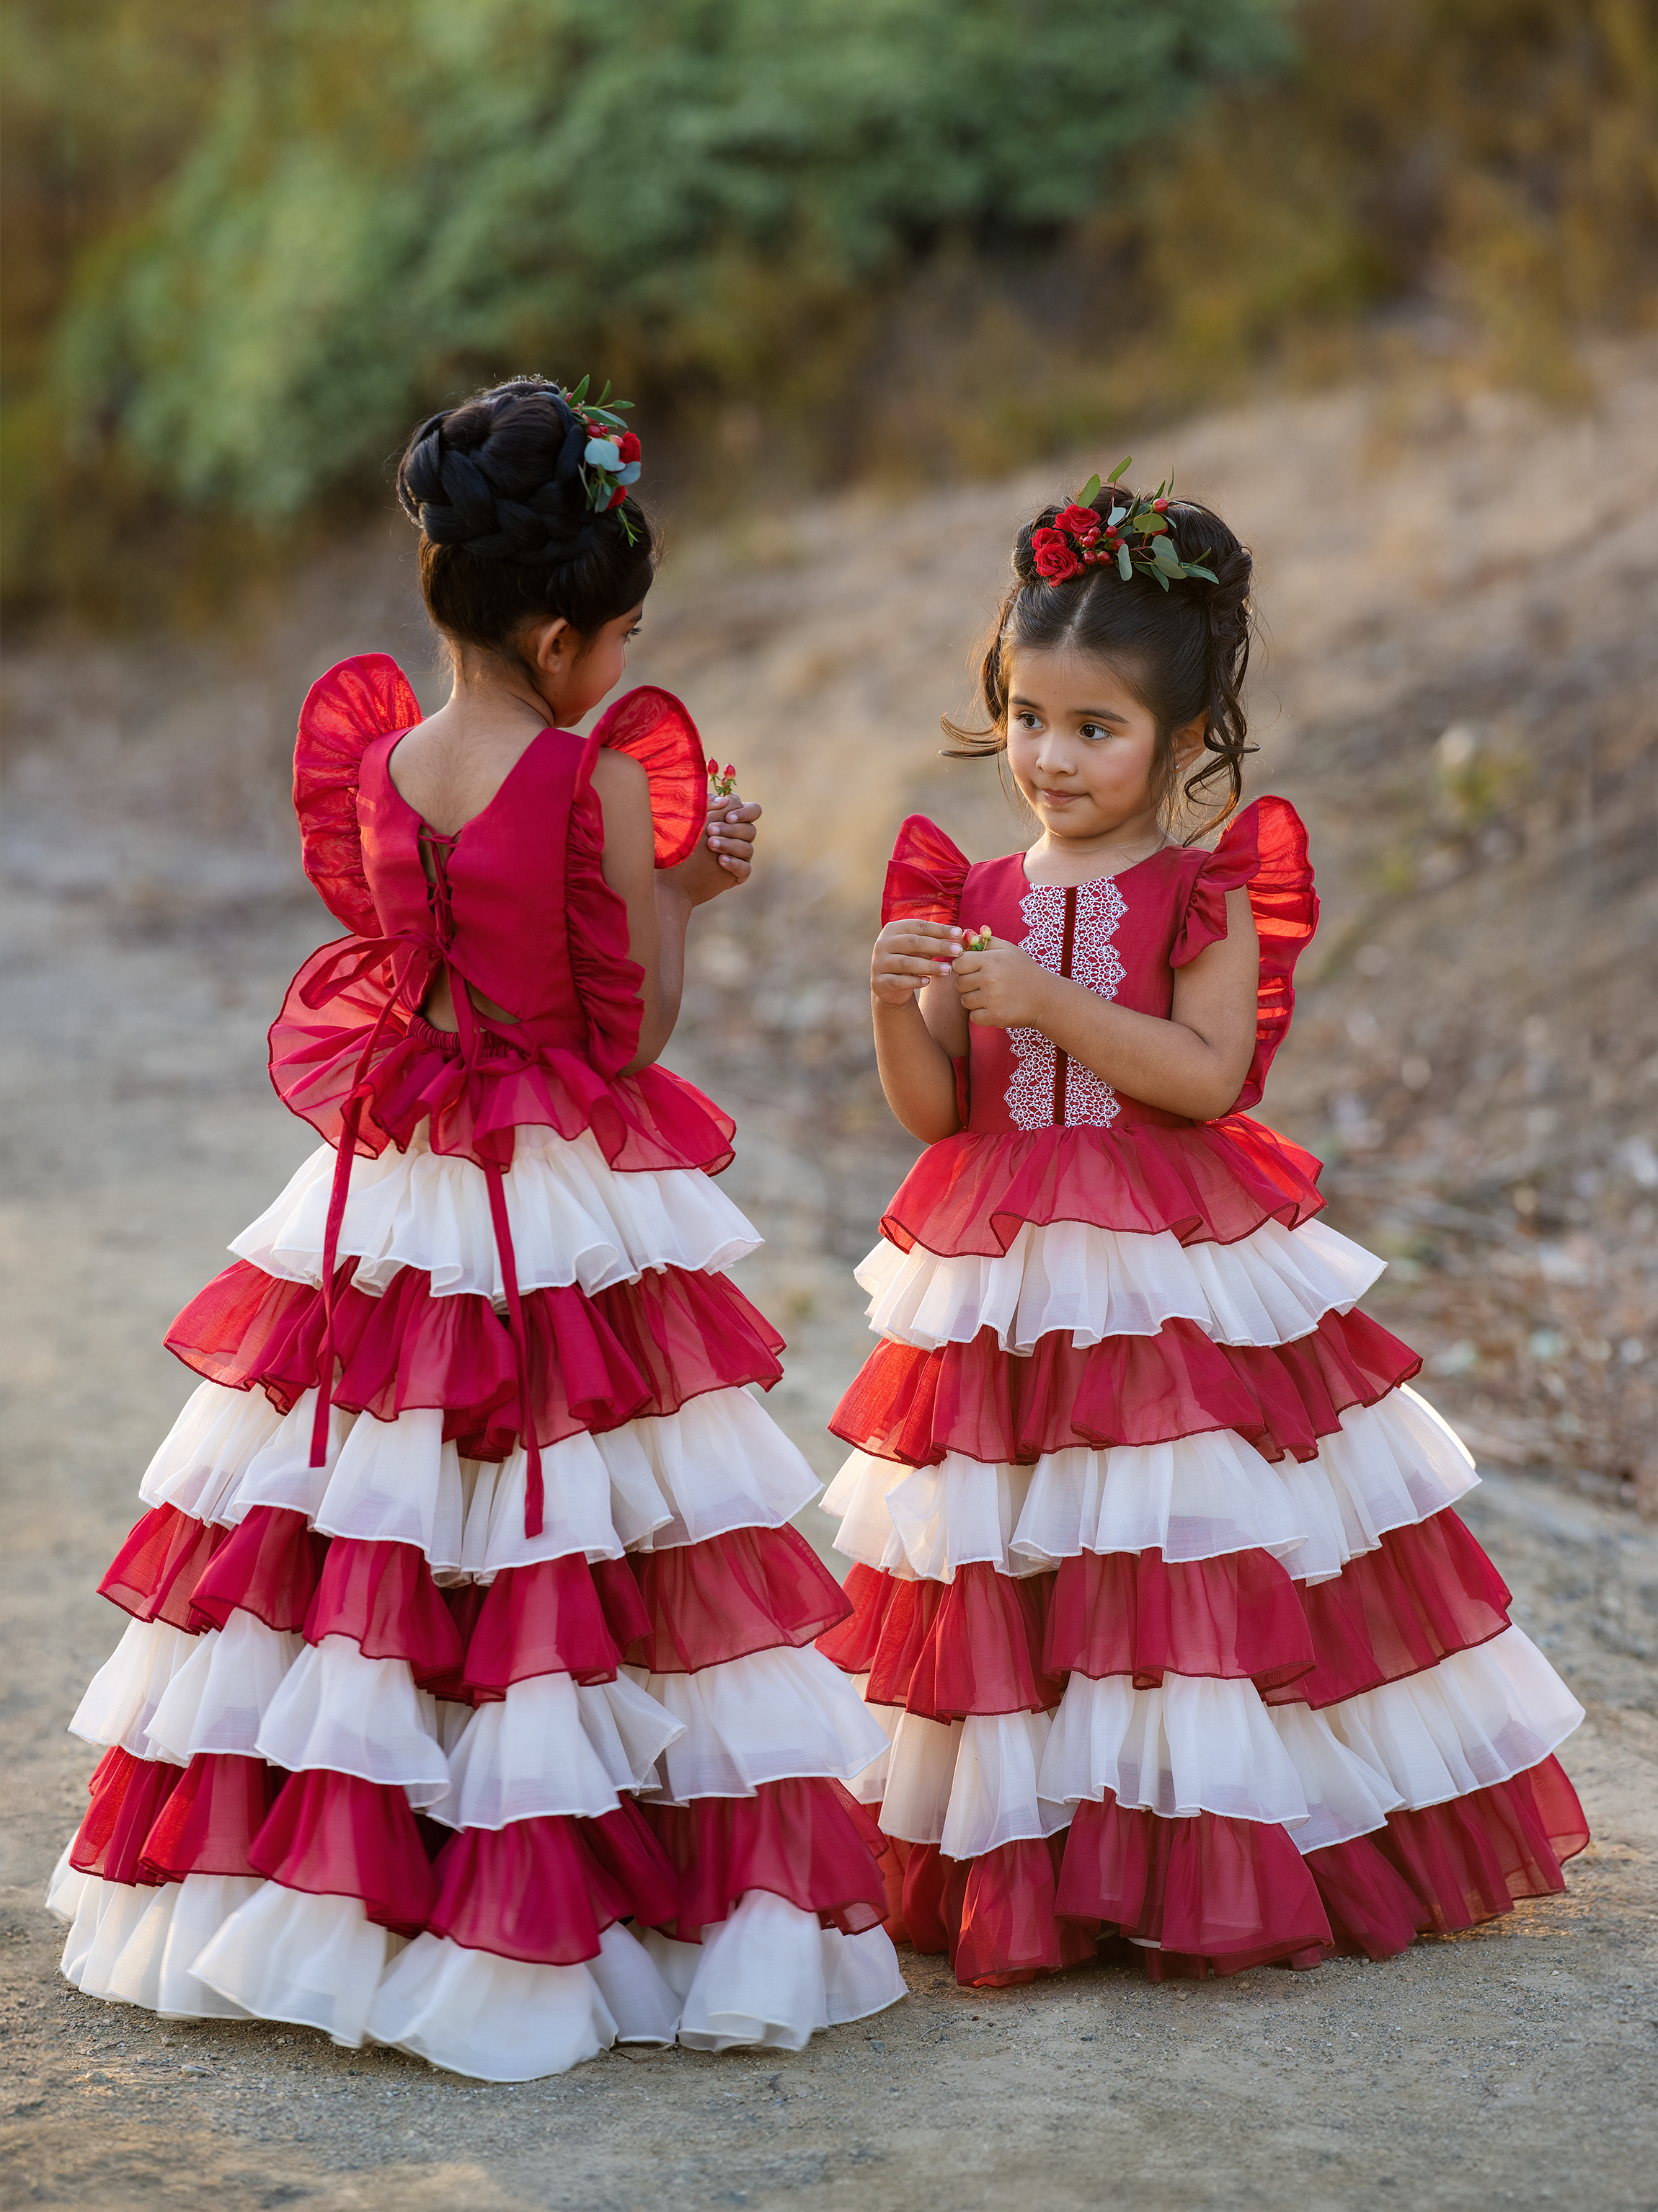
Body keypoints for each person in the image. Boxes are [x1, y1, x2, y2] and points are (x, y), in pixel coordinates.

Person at [48, 376, 905, 2079]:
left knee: (368, 1505)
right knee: (569, 1506)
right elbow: (618, 1035)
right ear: (568, 632)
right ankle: (555, 1881)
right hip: (542, 1183)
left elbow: (405, 946)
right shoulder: (586, 784)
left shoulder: (380, 762)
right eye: (626, 629)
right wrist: (686, 890)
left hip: (401, 1177)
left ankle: (345, 1866)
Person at [817, 473, 1589, 1988]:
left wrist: (1049, 1002)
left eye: (1094, 730)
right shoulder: (971, 888)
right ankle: (1034, 1852)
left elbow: (1205, 1077)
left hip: (1163, 1264)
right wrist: (897, 1001)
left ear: (1182, 739)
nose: (1050, 757)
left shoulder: (1198, 890)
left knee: (1165, 1551)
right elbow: (938, 1111)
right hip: (1001, 1269)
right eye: (1029, 717)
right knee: (1019, 1551)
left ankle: (1193, 1848)